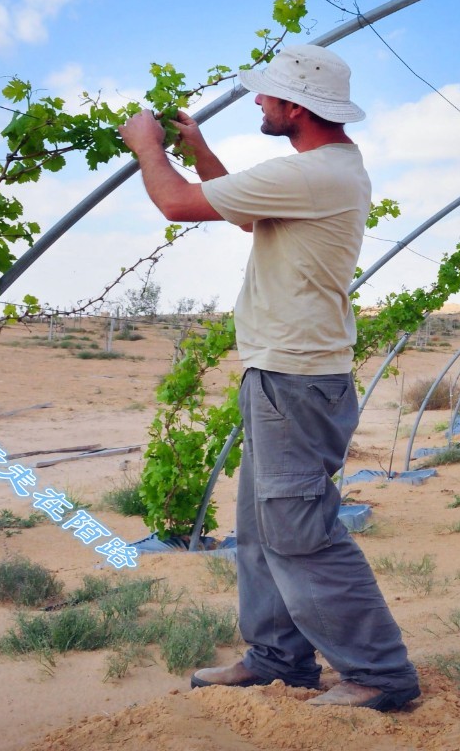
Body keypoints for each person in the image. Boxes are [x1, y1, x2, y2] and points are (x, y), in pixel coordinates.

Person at [118, 44, 420, 712]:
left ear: (297, 107)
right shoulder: (325, 169)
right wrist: (194, 144)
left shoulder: (311, 176)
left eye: (267, 95)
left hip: (295, 378)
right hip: (287, 374)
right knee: (262, 527)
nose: (257, 101)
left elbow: (175, 203)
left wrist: (148, 144)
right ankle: (279, 657)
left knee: (298, 531)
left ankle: (380, 674)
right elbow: (244, 210)